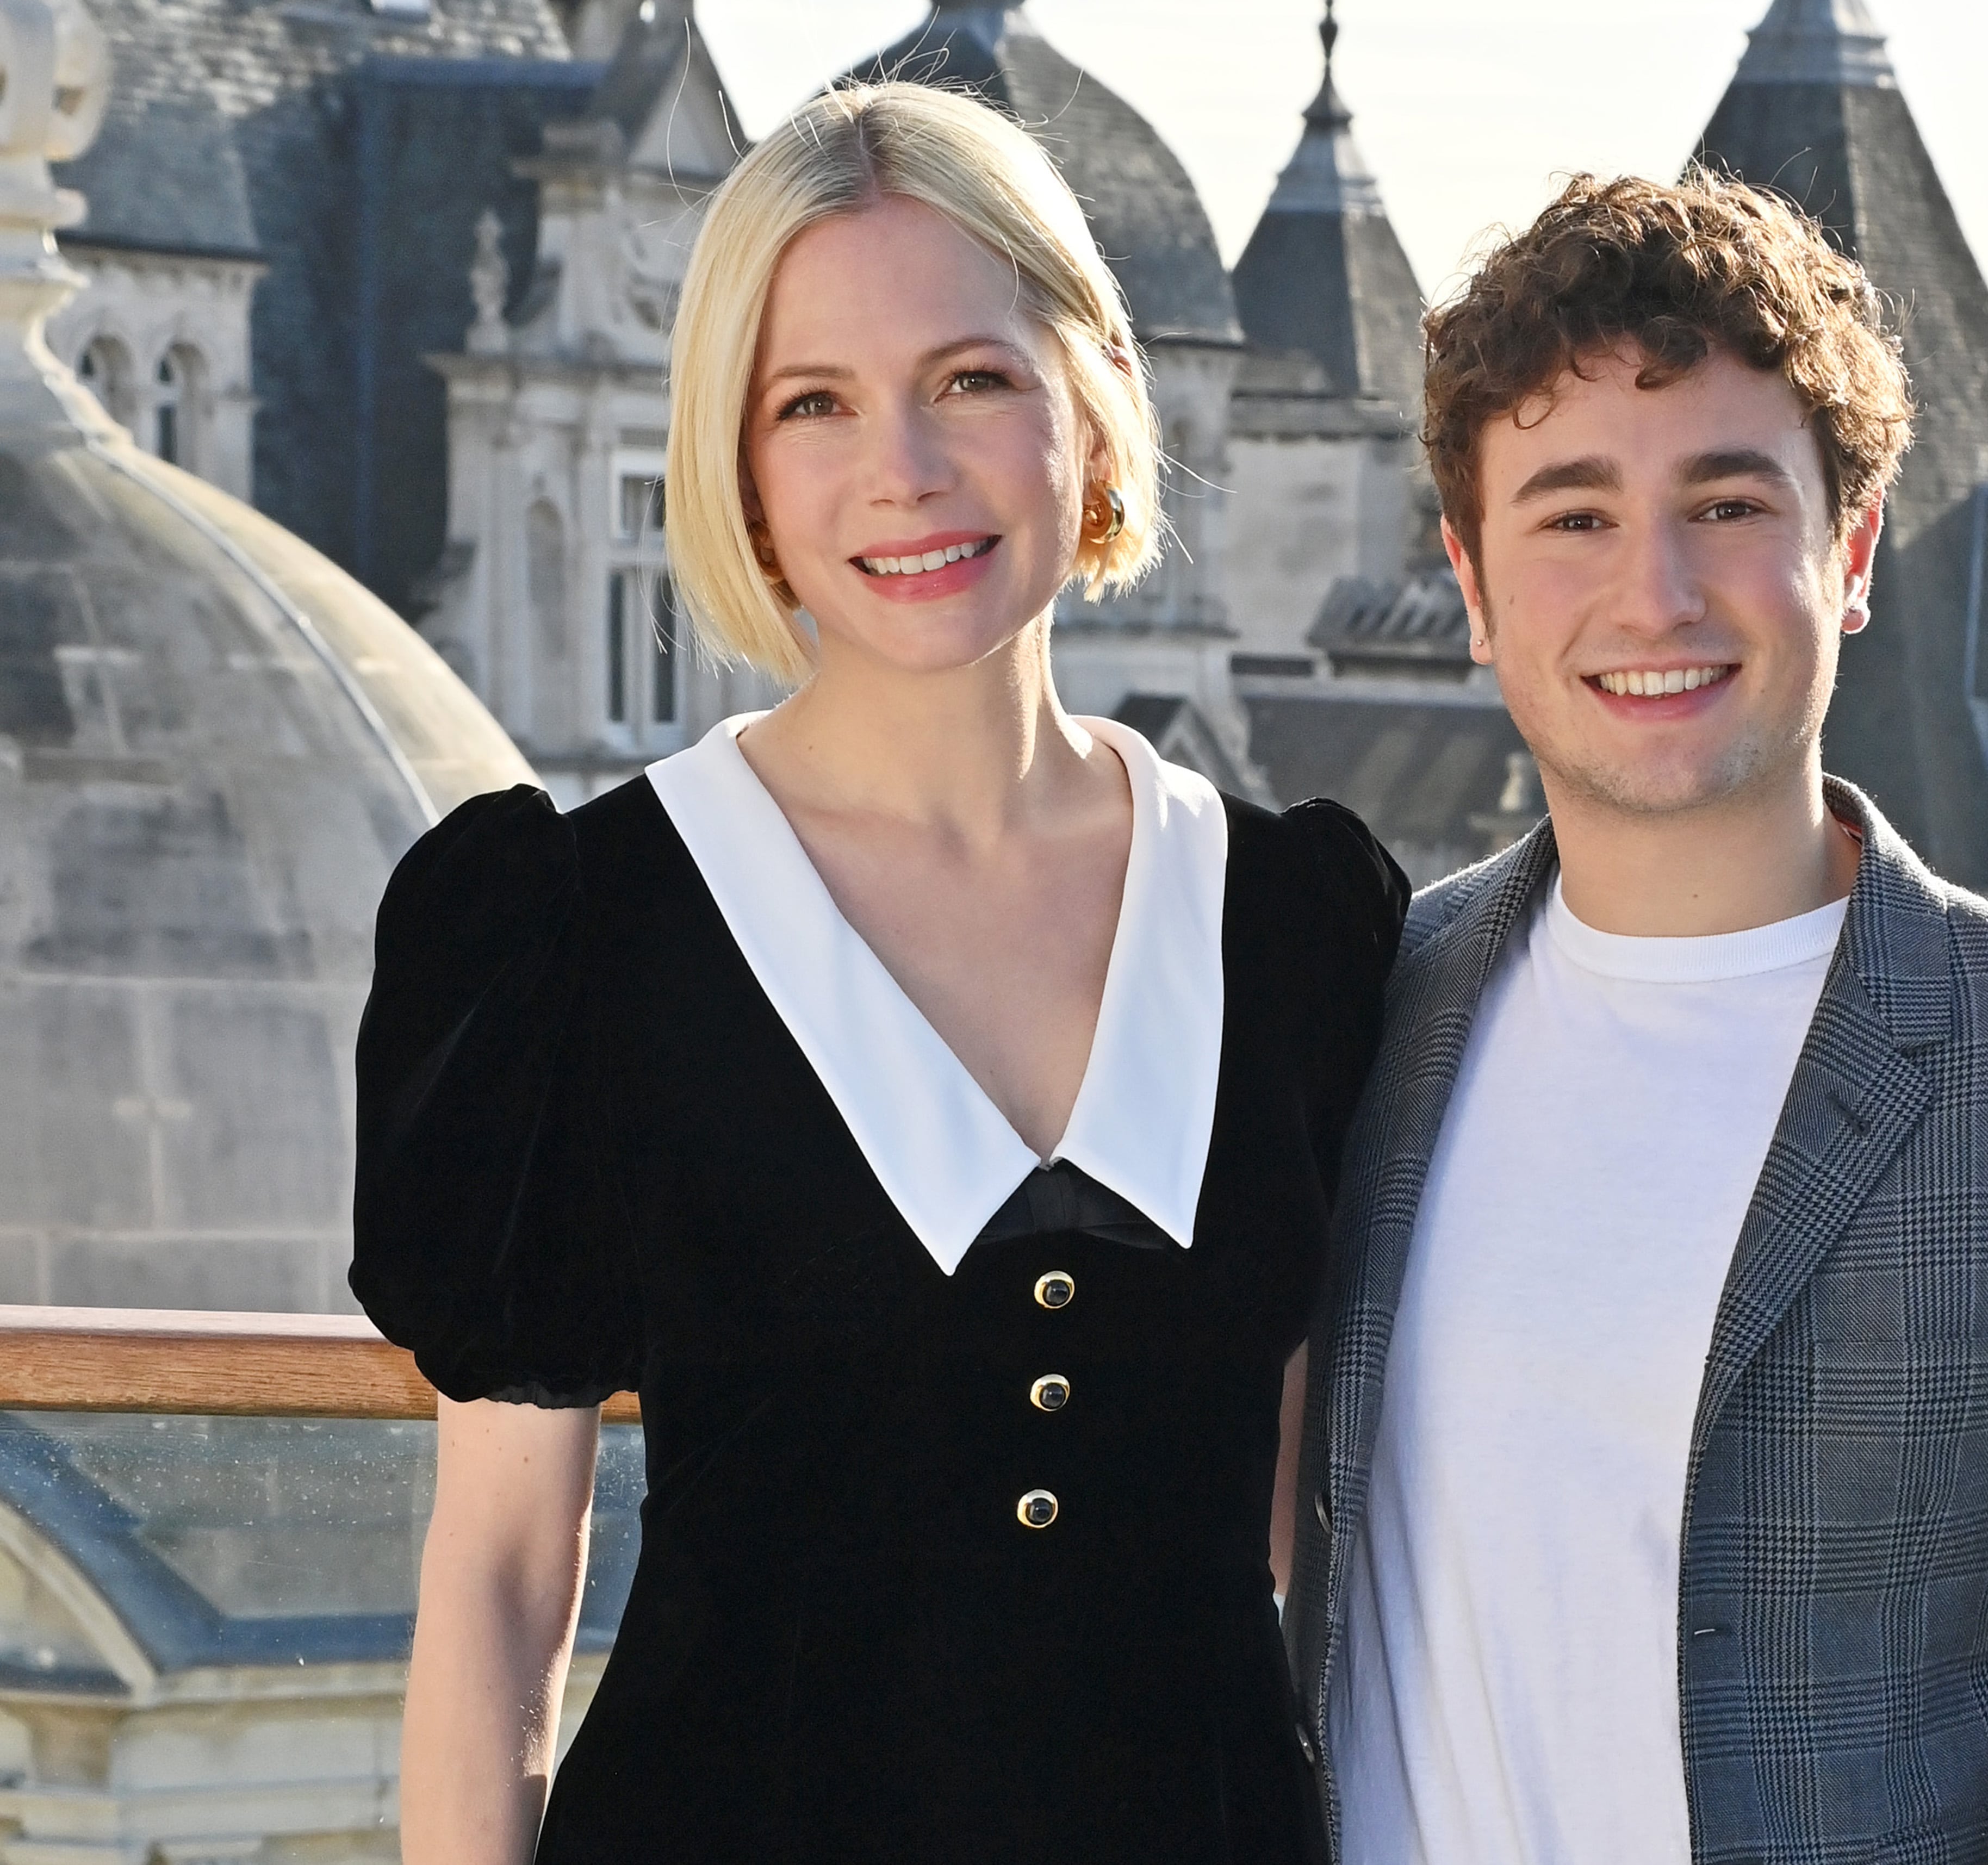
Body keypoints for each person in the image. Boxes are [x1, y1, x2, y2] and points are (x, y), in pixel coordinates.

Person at [353, 81, 1404, 1864]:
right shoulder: (568, 928)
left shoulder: (1300, 923)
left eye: (972, 379)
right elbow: (503, 1582)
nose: (902, 468)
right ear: (743, 473)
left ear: (1097, 401)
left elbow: (1319, 1539)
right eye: (814, 404)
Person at [1287, 173, 1988, 1865]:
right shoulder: (1363, 1007)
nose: (1656, 593)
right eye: (1573, 516)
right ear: (1471, 583)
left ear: (1853, 551)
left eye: (1726, 503)